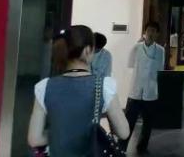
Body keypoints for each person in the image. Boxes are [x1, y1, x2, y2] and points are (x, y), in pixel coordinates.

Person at [28, 25, 129, 156]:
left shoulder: (44, 87)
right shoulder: (104, 86)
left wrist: (59, 135)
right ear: (87, 50)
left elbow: (34, 139)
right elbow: (123, 132)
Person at [123, 21, 165, 153]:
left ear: (157, 34)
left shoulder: (161, 50)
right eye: (148, 30)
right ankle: (121, 147)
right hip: (135, 90)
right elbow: (130, 64)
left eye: (154, 31)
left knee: (148, 123)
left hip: (151, 92)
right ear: (144, 32)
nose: (151, 33)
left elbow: (160, 69)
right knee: (128, 122)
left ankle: (142, 147)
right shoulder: (136, 47)